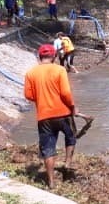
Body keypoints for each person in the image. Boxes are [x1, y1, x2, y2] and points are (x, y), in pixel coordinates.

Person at [23, 43, 77, 188]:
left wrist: (42, 99)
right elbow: (65, 93)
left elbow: (28, 95)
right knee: (71, 136)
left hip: (44, 116)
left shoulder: (30, 73)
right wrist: (72, 107)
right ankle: (67, 163)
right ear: (53, 56)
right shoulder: (59, 70)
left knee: (48, 148)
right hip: (63, 112)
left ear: (40, 57)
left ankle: (51, 182)